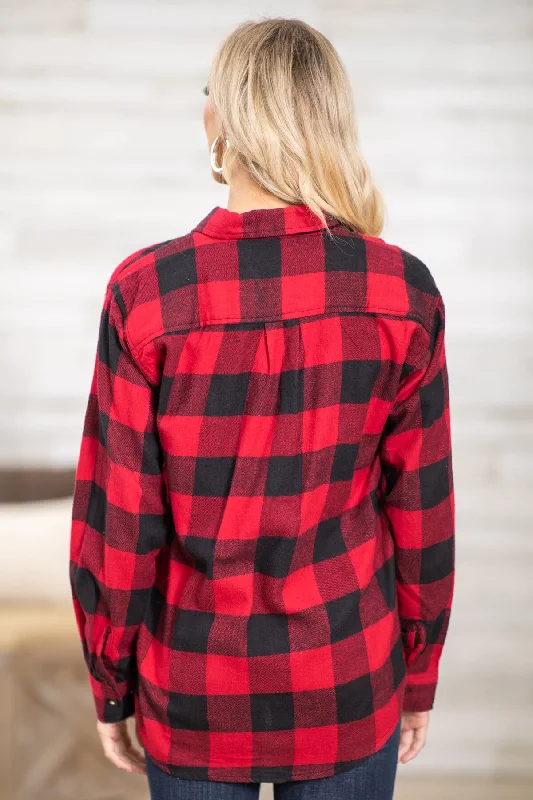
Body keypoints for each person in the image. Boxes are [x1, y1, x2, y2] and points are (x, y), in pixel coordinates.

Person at [69, 17, 455, 800]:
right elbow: (422, 513)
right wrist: (416, 671)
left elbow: (119, 519)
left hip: (195, 687)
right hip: (348, 674)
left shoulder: (150, 293)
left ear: (223, 119)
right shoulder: (399, 291)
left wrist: (111, 681)